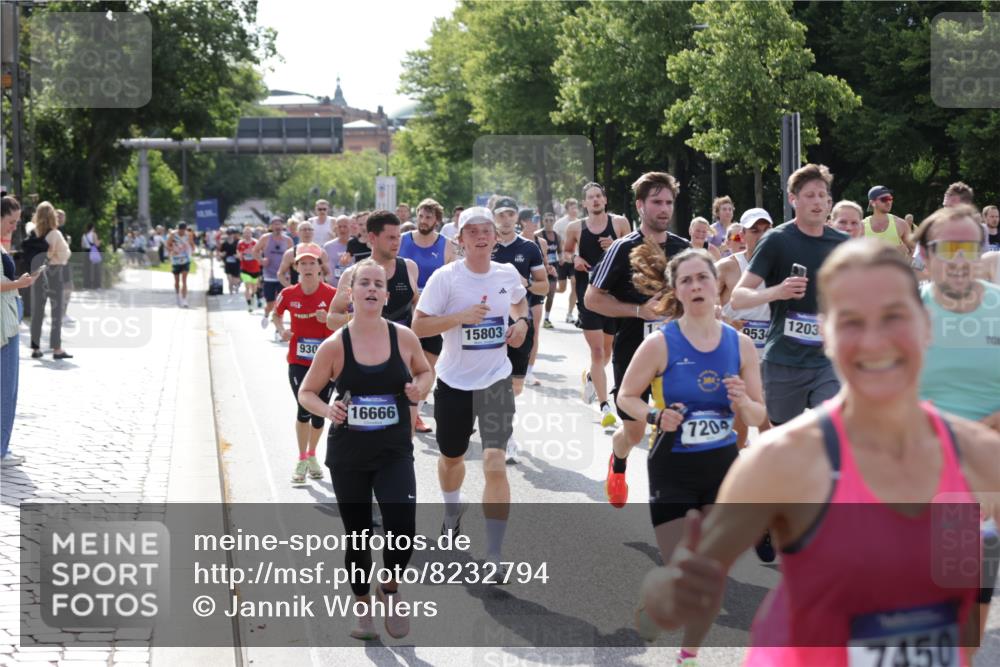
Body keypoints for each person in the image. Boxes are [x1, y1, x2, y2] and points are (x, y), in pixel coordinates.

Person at [638, 238, 1000, 667]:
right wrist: (666, 595)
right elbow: (685, 589)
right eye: (851, 320)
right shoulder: (783, 460)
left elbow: (960, 611)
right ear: (826, 334)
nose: (874, 340)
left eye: (893, 316)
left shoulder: (978, 460)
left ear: (925, 327)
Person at [620, 248, 764, 662]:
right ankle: (656, 602)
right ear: (677, 290)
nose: (696, 286)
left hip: (723, 470)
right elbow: (627, 397)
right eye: (686, 280)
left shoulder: (741, 345)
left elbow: (759, 413)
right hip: (673, 469)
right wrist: (653, 415)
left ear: (716, 285)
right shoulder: (661, 343)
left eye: (702, 277)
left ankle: (689, 655)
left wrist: (742, 402)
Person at [298, 258, 433, 641]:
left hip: (393, 450)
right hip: (350, 455)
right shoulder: (334, 345)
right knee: (358, 537)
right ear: (351, 293)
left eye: (379, 284)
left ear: (387, 295)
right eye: (365, 284)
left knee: (402, 529)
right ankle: (362, 609)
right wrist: (329, 409)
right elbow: (307, 392)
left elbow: (424, 372)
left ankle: (388, 589)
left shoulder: (403, 338)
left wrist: (418, 389)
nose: (372, 289)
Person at [411, 206, 529, 568]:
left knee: (495, 461)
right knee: (451, 458)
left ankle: (494, 553)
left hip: (495, 380)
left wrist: (521, 323)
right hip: (453, 381)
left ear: (495, 237)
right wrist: (458, 318)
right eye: (472, 231)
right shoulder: (446, 279)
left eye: (487, 230)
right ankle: (452, 509)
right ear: (460, 240)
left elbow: (519, 301)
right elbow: (418, 327)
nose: (481, 236)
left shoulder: (506, 272)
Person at [587, 172, 690, 506]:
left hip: (677, 355)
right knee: (633, 432)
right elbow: (592, 299)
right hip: (633, 352)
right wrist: (636, 311)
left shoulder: (683, 249)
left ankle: (669, 503)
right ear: (640, 205)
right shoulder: (622, 248)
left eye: (668, 203)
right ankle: (618, 462)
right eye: (656, 202)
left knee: (674, 428)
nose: (663, 209)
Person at [730, 163, 846, 427]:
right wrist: (778, 291)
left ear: (829, 201)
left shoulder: (841, 243)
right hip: (784, 358)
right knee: (781, 434)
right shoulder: (776, 240)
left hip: (827, 359)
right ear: (794, 200)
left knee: (832, 427)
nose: (817, 202)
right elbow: (738, 297)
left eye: (822, 195)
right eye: (809, 195)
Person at [327, 212, 421, 434]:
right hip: (363, 358)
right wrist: (365, 321)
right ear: (372, 237)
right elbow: (332, 318)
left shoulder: (408, 267)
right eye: (390, 237)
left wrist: (413, 330)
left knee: (405, 432)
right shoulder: (353, 274)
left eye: (399, 237)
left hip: (401, 358)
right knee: (366, 430)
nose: (397, 242)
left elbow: (416, 303)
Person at [915, 206, 1000, 433]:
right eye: (948, 249)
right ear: (925, 254)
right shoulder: (905, 313)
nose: (959, 260)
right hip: (925, 453)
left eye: (970, 249)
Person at [564, 182, 631, 425]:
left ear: (605, 200)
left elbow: (635, 253)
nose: (595, 200)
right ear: (584, 203)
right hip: (588, 295)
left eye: (598, 196)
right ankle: (605, 406)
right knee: (598, 351)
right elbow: (565, 253)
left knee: (607, 350)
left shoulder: (620, 223)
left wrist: (614, 245)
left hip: (613, 296)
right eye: (590, 197)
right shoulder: (575, 228)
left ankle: (592, 377)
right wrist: (575, 258)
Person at [271, 244, 338, 485]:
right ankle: (301, 459)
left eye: (312, 263)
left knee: (320, 415)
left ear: (320, 267)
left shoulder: (331, 294)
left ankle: (312, 455)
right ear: (296, 267)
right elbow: (275, 314)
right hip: (298, 362)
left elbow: (348, 321)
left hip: (326, 363)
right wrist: (281, 330)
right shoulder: (288, 294)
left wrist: (329, 319)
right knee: (303, 409)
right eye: (303, 263)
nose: (308, 267)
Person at [490, 198, 548, 461]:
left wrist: (524, 283)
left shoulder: (529, 248)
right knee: (494, 382)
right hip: (489, 323)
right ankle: (505, 435)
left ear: (517, 219)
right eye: (501, 214)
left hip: (521, 323)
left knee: (515, 386)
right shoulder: (484, 245)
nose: (505, 218)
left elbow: (544, 287)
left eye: (510, 213)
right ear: (494, 217)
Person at [716, 208, 774, 448]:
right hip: (733, 354)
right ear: (742, 234)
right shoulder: (726, 267)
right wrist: (726, 322)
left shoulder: (782, 267)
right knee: (739, 429)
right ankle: (733, 476)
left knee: (768, 423)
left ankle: (769, 478)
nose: (760, 236)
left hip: (769, 354)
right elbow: (702, 307)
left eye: (765, 231)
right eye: (754, 231)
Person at [398, 198, 455, 434]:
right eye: (421, 216)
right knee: (400, 364)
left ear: (437, 220)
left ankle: (417, 411)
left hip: (431, 311)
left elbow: (451, 278)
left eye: (429, 217)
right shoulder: (403, 240)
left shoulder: (446, 245)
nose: (423, 221)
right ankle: (400, 410)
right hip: (402, 311)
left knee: (427, 367)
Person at [1, 195, 36, 467]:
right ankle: (1, 450)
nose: (14, 227)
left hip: (8, 322)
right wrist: (19, 284)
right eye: (11, 222)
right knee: (6, 389)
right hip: (4, 327)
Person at [28, 202, 72, 359]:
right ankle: (56, 348)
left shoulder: (33, 233)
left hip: (38, 272)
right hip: (55, 272)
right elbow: (64, 255)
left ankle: (35, 348)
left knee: (38, 311)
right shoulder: (55, 234)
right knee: (56, 311)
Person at [518, 209, 550, 385]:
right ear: (523, 222)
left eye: (538, 218)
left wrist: (550, 268)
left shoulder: (541, 242)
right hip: (518, 291)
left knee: (535, 330)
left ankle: (529, 371)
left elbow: (544, 265)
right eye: (533, 219)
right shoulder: (515, 241)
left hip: (535, 288)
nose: (536, 222)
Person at [252, 216, 294, 329]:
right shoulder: (265, 238)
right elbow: (255, 251)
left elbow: (293, 258)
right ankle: (266, 314)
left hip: (283, 276)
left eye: (279, 224)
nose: (277, 226)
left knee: (281, 303)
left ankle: (278, 329)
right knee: (270, 304)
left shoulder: (288, 240)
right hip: (269, 276)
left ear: (283, 226)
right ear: (271, 226)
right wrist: (261, 260)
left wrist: (291, 273)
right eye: (275, 224)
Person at [277, 220, 330, 288]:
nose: (307, 232)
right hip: (298, 294)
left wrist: (323, 285)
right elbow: (280, 274)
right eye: (304, 230)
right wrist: (290, 288)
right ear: (298, 233)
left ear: (313, 232)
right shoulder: (290, 253)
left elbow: (328, 273)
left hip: (317, 292)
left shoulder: (321, 252)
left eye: (310, 229)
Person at [863, 185, 913, 253]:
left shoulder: (901, 224)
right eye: (884, 199)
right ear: (872, 203)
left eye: (890, 198)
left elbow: (913, 251)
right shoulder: (861, 226)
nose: (889, 202)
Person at [554, 198, 580, 323]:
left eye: (576, 207)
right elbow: (554, 241)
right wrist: (558, 256)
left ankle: (569, 313)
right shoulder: (559, 224)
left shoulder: (580, 223)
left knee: (575, 283)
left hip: (575, 259)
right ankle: (545, 291)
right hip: (562, 260)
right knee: (562, 289)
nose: (575, 210)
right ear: (567, 209)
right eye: (572, 208)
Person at [536, 212, 562, 329]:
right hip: (540, 268)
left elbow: (560, 251)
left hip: (553, 269)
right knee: (539, 295)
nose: (549, 223)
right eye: (546, 220)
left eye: (551, 220)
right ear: (543, 221)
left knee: (551, 294)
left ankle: (546, 318)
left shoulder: (557, 236)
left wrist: (562, 258)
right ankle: (533, 316)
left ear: (554, 221)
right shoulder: (538, 235)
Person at [166, 223, 194, 308]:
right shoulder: (173, 234)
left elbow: (192, 244)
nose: (181, 231)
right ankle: (178, 296)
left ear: (185, 229)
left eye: (183, 230)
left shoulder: (189, 234)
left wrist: (191, 251)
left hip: (185, 259)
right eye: (180, 230)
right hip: (176, 260)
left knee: (184, 280)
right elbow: (167, 244)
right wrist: (172, 250)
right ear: (178, 229)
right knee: (177, 281)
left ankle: (184, 300)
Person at [322, 215, 354, 288]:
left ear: (350, 227)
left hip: (353, 288)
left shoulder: (356, 245)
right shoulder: (328, 247)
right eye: (339, 227)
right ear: (335, 229)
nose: (342, 229)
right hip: (333, 288)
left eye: (345, 226)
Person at [237, 227, 262, 311]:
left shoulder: (256, 242)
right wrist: (241, 255)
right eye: (245, 233)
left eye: (249, 233)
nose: (247, 235)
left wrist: (253, 253)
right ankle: (249, 305)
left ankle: (253, 296)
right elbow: (239, 255)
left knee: (254, 288)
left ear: (251, 234)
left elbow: (260, 254)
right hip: (245, 268)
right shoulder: (240, 243)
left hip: (255, 268)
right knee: (247, 286)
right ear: (243, 234)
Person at [217, 227, 242, 294]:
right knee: (229, 278)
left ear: (234, 234)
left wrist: (238, 255)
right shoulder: (224, 243)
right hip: (227, 263)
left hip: (236, 263)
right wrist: (222, 254)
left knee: (235, 279)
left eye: (231, 233)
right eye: (228, 234)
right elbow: (221, 252)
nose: (230, 235)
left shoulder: (238, 242)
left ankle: (237, 286)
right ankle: (231, 292)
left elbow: (241, 252)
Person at [81, 221, 103, 289]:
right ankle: (96, 285)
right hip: (93, 251)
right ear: (92, 228)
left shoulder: (84, 235)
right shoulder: (94, 234)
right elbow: (96, 244)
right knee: (96, 269)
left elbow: (82, 245)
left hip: (86, 252)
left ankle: (86, 285)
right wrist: (99, 242)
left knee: (87, 269)